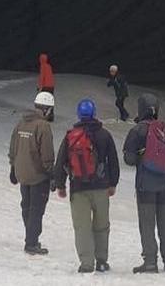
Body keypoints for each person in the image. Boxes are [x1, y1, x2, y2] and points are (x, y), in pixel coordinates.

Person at [52, 98, 121, 273]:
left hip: (78, 188)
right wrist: (112, 183)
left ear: (79, 114)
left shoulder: (71, 136)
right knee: (101, 225)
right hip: (100, 187)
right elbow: (113, 161)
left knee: (82, 227)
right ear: (94, 113)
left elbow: (60, 161)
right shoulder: (104, 135)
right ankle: (102, 261)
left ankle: (86, 264)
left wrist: (61, 185)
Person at [122, 93, 165, 274]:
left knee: (147, 224)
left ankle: (150, 262)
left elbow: (129, 159)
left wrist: (143, 155)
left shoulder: (137, 130)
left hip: (145, 185)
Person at [8, 91, 56, 255]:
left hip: (22, 173)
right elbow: (47, 154)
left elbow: (13, 147)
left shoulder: (21, 123)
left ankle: (30, 237)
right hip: (38, 175)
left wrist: (13, 168)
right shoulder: (43, 126)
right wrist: (52, 174)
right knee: (37, 209)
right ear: (47, 109)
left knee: (26, 207)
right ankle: (31, 243)